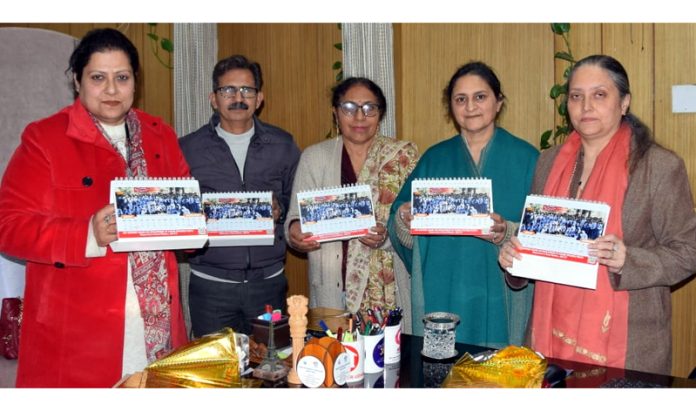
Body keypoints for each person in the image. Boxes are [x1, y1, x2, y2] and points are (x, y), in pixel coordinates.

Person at [0, 28, 189, 387]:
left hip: (158, 324)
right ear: (77, 81)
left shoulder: (160, 134)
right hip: (79, 331)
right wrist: (86, 234)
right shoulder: (44, 138)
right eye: (98, 78)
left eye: (122, 77)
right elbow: (8, 226)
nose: (112, 90)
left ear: (136, 81)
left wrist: (196, 224)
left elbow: (185, 214)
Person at [499, 54, 696, 375]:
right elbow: (537, 243)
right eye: (576, 96)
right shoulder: (548, 163)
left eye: (599, 95)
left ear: (624, 103)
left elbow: (689, 251)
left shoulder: (658, 166)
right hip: (548, 338)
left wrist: (627, 260)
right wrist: (516, 260)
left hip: (629, 343)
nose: (586, 106)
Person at [388, 62, 538, 348]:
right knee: (443, 373)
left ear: (498, 102)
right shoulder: (434, 158)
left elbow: (546, 237)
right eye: (461, 99)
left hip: (501, 292)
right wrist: (404, 219)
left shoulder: (528, 158)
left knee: (498, 376)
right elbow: (398, 223)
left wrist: (507, 231)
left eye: (480, 97)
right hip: (443, 287)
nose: (470, 107)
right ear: (451, 107)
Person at [179, 55, 301, 337]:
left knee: (272, 372)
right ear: (213, 98)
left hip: (268, 284)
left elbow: (296, 201)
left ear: (259, 98)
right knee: (217, 373)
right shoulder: (188, 148)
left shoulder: (282, 144)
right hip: (211, 286)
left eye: (247, 90)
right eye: (228, 90)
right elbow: (177, 214)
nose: (238, 98)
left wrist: (279, 209)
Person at [284, 77, 419, 332]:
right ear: (336, 113)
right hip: (330, 288)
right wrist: (295, 233)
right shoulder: (315, 157)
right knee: (334, 362)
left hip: (389, 290)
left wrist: (386, 238)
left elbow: (414, 224)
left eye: (369, 108)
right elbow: (294, 219)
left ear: (380, 115)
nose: (359, 116)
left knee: (390, 364)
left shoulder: (402, 159)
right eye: (349, 107)